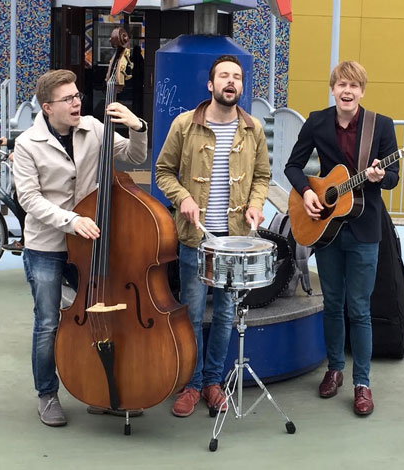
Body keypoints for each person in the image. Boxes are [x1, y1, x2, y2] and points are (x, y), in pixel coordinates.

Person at [12, 69, 149, 427]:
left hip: (90, 246)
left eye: (77, 96)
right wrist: (70, 221)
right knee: (47, 322)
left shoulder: (94, 128)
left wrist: (138, 127)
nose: (77, 103)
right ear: (47, 107)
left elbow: (134, 157)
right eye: (68, 99)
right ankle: (47, 394)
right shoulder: (27, 144)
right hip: (48, 244)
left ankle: (102, 388)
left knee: (103, 313)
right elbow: (29, 199)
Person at [155, 55, 271, 417]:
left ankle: (213, 383)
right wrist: (184, 197)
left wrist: (254, 204)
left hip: (233, 241)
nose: (231, 82)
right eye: (224, 75)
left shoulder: (253, 129)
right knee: (191, 312)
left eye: (237, 76)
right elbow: (163, 171)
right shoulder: (185, 124)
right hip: (195, 238)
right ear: (210, 85)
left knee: (224, 315)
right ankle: (190, 385)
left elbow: (262, 176)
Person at [283, 61, 399, 416]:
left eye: (354, 86)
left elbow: (394, 177)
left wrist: (380, 177)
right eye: (341, 85)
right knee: (332, 303)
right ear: (333, 89)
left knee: (359, 308)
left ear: (362, 91)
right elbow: (292, 166)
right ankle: (335, 369)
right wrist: (306, 193)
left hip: (364, 230)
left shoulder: (381, 126)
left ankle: (362, 383)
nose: (347, 91)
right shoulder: (318, 121)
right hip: (326, 228)